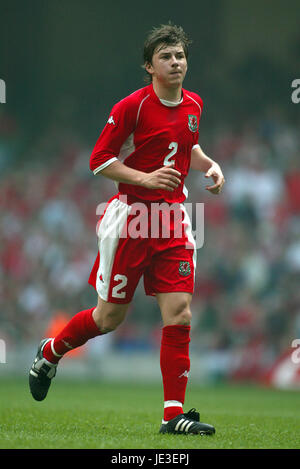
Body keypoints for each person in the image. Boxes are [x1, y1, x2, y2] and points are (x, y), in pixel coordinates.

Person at [29, 23, 225, 435]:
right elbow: (99, 159)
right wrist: (145, 178)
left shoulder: (195, 104)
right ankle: (51, 351)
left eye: (180, 56)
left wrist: (210, 164)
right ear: (149, 66)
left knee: (180, 313)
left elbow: (188, 144)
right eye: (166, 57)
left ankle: (173, 416)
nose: (176, 63)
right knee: (108, 318)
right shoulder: (132, 107)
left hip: (173, 221)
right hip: (132, 219)